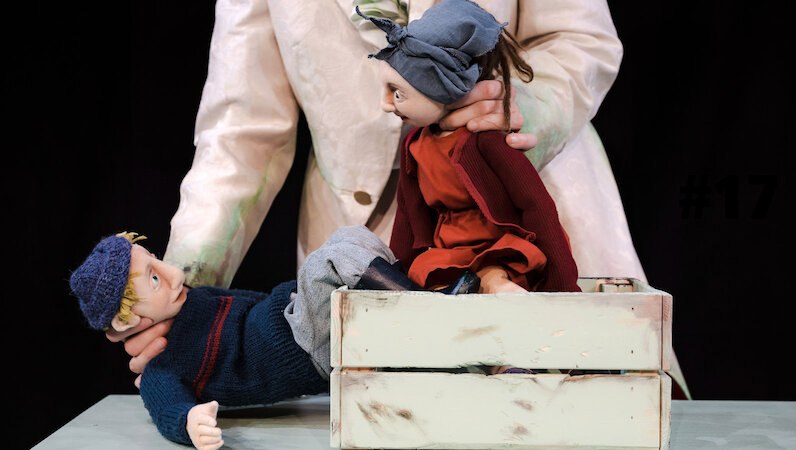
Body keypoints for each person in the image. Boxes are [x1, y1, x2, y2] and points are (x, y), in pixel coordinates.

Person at [114, 0, 690, 398]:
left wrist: (523, 111)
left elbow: (580, 35)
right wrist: (175, 296)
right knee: (400, 420)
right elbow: (240, 134)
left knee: (592, 401)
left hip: (530, 190)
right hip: (361, 240)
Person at [70, 226, 439, 449]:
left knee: (349, 235)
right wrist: (189, 423)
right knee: (325, 263)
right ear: (128, 319)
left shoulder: (194, 299)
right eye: (153, 278)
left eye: (155, 259)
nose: (172, 272)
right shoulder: (163, 365)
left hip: (295, 317)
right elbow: (166, 406)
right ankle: (434, 313)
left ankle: (417, 307)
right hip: (301, 348)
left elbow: (249, 305)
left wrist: (298, 301)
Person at [358, 0, 581, 296]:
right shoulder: (416, 148)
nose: (385, 105)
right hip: (447, 248)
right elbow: (409, 220)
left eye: (397, 93)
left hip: (495, 242)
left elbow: (537, 206)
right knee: (431, 276)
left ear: (442, 88)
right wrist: (399, 283)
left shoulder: (486, 142)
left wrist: (563, 286)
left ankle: (495, 283)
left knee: (495, 272)